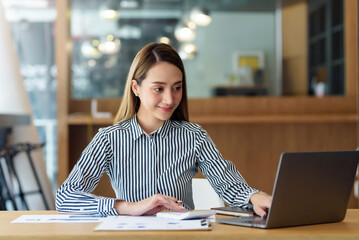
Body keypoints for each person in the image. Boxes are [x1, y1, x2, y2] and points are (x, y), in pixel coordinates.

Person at [56, 42, 272, 217]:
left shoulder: (194, 136)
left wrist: (255, 197)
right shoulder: (109, 139)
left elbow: (227, 183)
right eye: (158, 88)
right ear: (136, 88)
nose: (169, 99)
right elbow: (65, 197)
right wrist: (127, 207)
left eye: (177, 88)